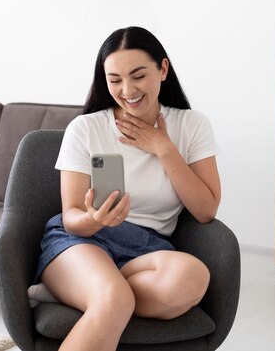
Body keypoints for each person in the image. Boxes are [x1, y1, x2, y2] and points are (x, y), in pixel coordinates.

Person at [34, 26, 221, 351]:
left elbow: (206, 210)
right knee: (115, 299)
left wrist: (164, 149)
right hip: (83, 240)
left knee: (192, 278)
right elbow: (71, 217)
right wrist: (96, 219)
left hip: (147, 249)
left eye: (138, 76)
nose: (127, 89)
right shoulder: (86, 128)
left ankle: (81, 292)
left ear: (162, 69)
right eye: (115, 79)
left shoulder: (191, 125)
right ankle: (99, 292)